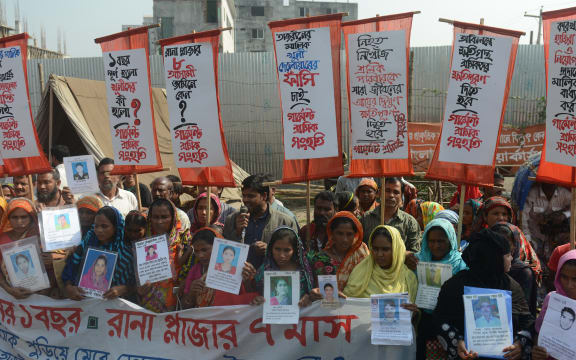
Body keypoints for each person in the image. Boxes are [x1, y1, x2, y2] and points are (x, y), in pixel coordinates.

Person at [434, 229, 533, 360]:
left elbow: (527, 321)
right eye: (508, 255)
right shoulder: (455, 286)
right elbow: (439, 320)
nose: (511, 258)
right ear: (494, 258)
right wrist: (457, 342)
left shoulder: (511, 286)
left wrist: (519, 344)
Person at [223, 174, 298, 269]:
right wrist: (237, 232)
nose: (245, 200)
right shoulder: (232, 219)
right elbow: (223, 251)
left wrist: (271, 250)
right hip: (240, 276)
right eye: (244, 196)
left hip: (271, 278)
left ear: (264, 196)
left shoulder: (285, 221)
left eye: (250, 196)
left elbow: (296, 254)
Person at [62, 206, 135, 301]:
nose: (99, 230)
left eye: (104, 226)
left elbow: (135, 284)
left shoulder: (127, 254)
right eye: (96, 225)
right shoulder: (85, 244)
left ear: (116, 227)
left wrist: (124, 289)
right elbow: (69, 271)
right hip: (84, 303)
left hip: (114, 308)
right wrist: (69, 288)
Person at [137, 198, 192, 313]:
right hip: (147, 304)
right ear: (150, 218)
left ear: (173, 218)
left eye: (164, 217)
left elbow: (191, 270)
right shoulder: (142, 240)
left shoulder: (184, 240)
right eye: (155, 217)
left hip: (176, 304)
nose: (159, 221)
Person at [182, 227, 258, 308]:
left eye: (204, 250)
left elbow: (250, 299)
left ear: (217, 247)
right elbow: (185, 306)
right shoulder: (194, 271)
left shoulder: (237, 269)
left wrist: (247, 281)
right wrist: (191, 294)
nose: (200, 255)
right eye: (196, 251)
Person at [475, 196, 542, 282]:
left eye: (504, 214)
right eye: (495, 214)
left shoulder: (515, 235)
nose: (501, 218)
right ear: (485, 216)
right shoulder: (480, 237)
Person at [344, 225, 418, 302]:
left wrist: (413, 311)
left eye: (385, 249)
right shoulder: (361, 272)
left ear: (396, 249)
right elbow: (348, 302)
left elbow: (413, 308)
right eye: (375, 249)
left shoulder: (408, 278)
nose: (379, 254)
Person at [360, 177, 421, 269]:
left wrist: (402, 254)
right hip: (370, 272)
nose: (391, 195)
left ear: (401, 196)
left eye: (396, 192)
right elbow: (359, 248)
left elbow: (415, 253)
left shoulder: (410, 222)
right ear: (380, 193)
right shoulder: (366, 218)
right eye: (387, 191)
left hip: (399, 274)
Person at [308, 211, 369, 297]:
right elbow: (317, 291)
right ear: (332, 233)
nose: (345, 239)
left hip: (356, 307)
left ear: (355, 235)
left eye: (349, 234)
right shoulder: (320, 259)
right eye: (340, 233)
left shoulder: (361, 254)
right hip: (328, 308)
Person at [251, 227, 314, 307]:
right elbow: (255, 292)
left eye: (287, 250)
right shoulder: (264, 270)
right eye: (277, 249)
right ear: (271, 248)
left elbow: (313, 294)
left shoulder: (303, 272)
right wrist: (258, 299)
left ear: (294, 250)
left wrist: (309, 297)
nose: (281, 255)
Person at [533, 251, 576, 360]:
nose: (569, 285)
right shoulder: (552, 299)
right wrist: (539, 350)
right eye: (564, 277)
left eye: (575, 279)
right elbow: (539, 332)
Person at [491, 222, 538, 315]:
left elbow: (523, 308)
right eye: (496, 242)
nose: (500, 247)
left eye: (506, 243)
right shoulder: (482, 266)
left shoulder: (523, 272)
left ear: (514, 245)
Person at [521, 182, 571, 265]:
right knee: (535, 262)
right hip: (535, 236)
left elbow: (574, 205)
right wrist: (527, 239)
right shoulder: (532, 193)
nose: (550, 183)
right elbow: (523, 217)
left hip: (556, 237)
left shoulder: (564, 193)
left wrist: (564, 215)